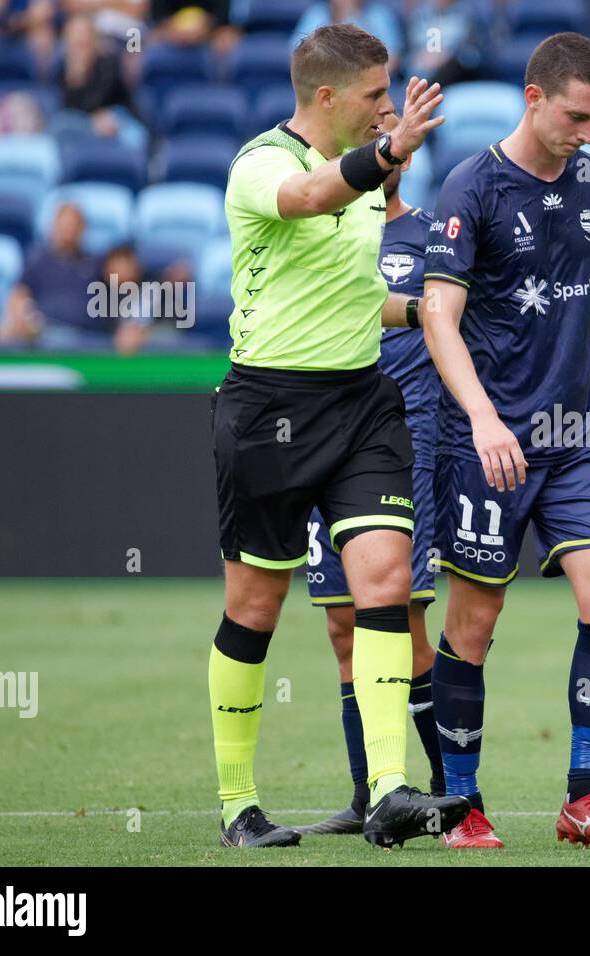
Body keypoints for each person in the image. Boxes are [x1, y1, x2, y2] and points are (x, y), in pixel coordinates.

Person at [209, 23, 469, 849]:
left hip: (360, 403)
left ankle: (390, 790)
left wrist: (423, 308)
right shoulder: (261, 165)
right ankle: (238, 805)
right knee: (255, 607)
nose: (384, 111)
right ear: (325, 98)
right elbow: (312, 197)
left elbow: (354, 297)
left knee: (385, 585)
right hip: (268, 410)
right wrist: (393, 151)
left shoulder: (364, 183)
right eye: (372, 99)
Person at [422, 32, 590, 850]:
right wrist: (484, 417)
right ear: (533, 98)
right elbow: (437, 317)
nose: (587, 134)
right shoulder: (472, 186)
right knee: (474, 626)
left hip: (572, 435)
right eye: (575, 116)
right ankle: (460, 803)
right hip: (485, 440)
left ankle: (584, 798)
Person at [0, 203, 101, 346]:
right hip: (45, 333)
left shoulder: (94, 263)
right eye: (64, 225)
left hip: (86, 336)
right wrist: (22, 317)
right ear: (54, 227)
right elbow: (19, 295)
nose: (69, 231)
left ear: (82, 229)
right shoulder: (38, 261)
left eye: (73, 225)